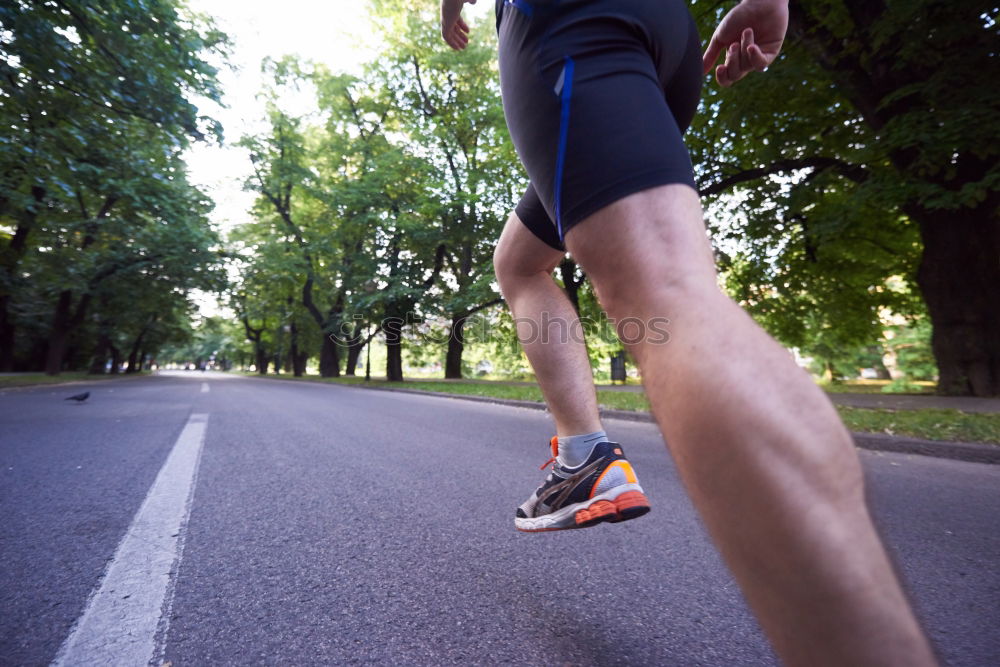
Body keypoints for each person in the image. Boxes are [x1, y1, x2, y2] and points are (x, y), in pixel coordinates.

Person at [441, 0, 937, 663]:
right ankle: (584, 454)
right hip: (666, 41)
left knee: (667, 298)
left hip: (572, 22)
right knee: (521, 262)